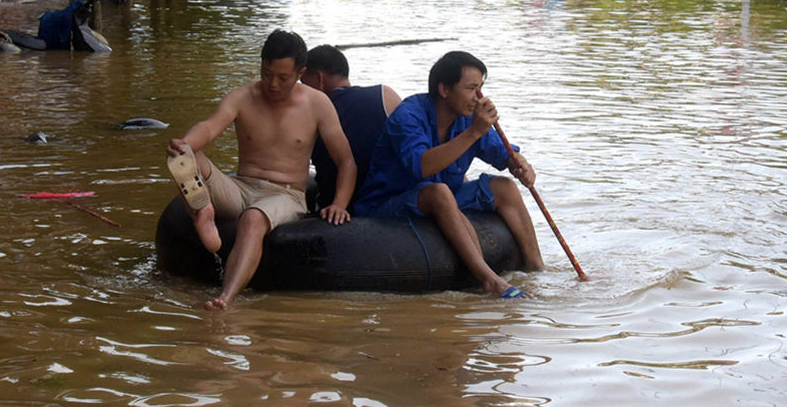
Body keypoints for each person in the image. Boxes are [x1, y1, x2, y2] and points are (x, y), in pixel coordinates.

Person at [167, 30, 356, 310]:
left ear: (300, 73)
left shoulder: (318, 104)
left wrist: (340, 204)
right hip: (240, 187)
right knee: (186, 157)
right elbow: (209, 127)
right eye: (267, 73)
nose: (273, 84)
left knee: (253, 220)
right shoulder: (242, 96)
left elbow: (346, 161)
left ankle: (225, 298)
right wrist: (185, 143)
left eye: (283, 77)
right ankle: (202, 209)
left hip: (285, 193)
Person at [354, 51, 545, 298]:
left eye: (481, 89)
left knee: (504, 187)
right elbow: (421, 167)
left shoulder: (467, 119)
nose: (478, 98)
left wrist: (521, 165)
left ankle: (536, 267)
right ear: (444, 90)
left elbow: (503, 153)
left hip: (446, 195)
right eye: (471, 89)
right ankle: (489, 282)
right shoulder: (409, 115)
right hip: (390, 201)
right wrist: (474, 133)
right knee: (439, 192)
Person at [301, 44, 401, 211]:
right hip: (384, 199)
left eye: (303, 83)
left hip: (333, 205)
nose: (301, 91)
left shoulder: (310, 112)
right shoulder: (385, 95)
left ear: (319, 78)